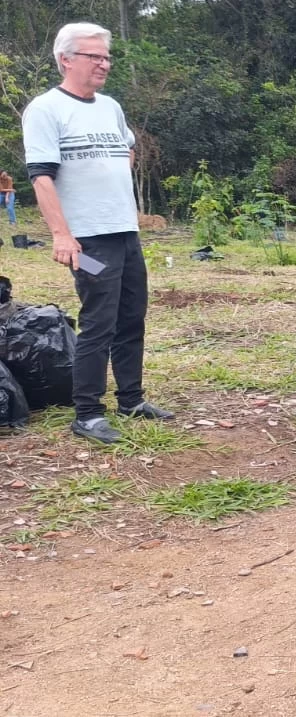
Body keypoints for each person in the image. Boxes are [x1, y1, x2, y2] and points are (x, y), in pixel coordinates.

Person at [24, 23, 174, 445]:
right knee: (98, 322)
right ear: (66, 59)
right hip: (87, 242)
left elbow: (125, 147)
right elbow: (41, 178)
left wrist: (112, 182)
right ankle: (87, 413)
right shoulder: (46, 109)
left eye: (106, 57)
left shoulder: (110, 107)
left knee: (132, 316)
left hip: (125, 235)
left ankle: (131, 399)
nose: (104, 64)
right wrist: (61, 235)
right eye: (94, 56)